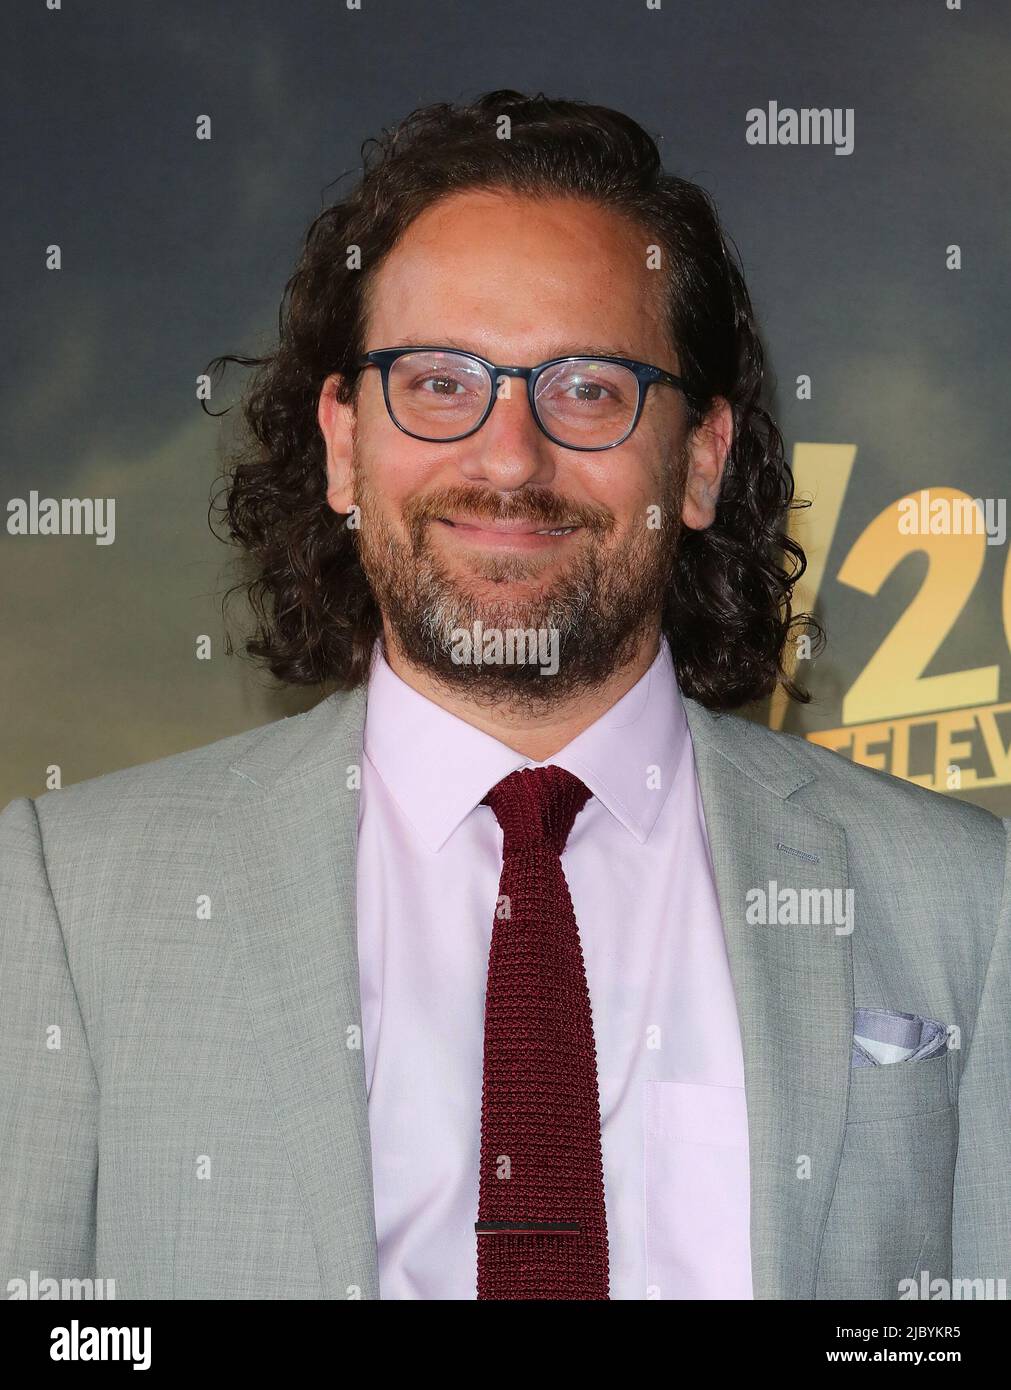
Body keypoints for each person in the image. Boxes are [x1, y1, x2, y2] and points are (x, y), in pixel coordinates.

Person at [1, 90, 1008, 1301]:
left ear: (698, 460)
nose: (508, 457)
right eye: (438, 382)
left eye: (587, 388)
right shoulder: (67, 895)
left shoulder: (965, 902)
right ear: (341, 442)